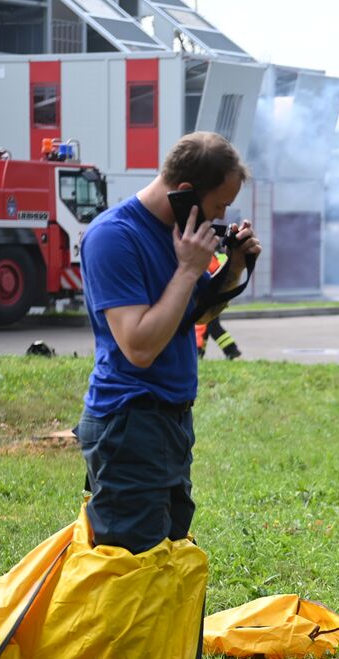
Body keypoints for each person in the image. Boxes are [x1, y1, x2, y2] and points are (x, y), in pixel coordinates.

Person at [76, 131, 260, 553]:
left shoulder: (181, 236)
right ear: (185, 192)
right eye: (219, 206)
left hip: (171, 422)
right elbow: (139, 347)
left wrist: (232, 269)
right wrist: (188, 270)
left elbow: (192, 316)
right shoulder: (112, 237)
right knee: (132, 568)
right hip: (128, 422)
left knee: (167, 558)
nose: (222, 215)